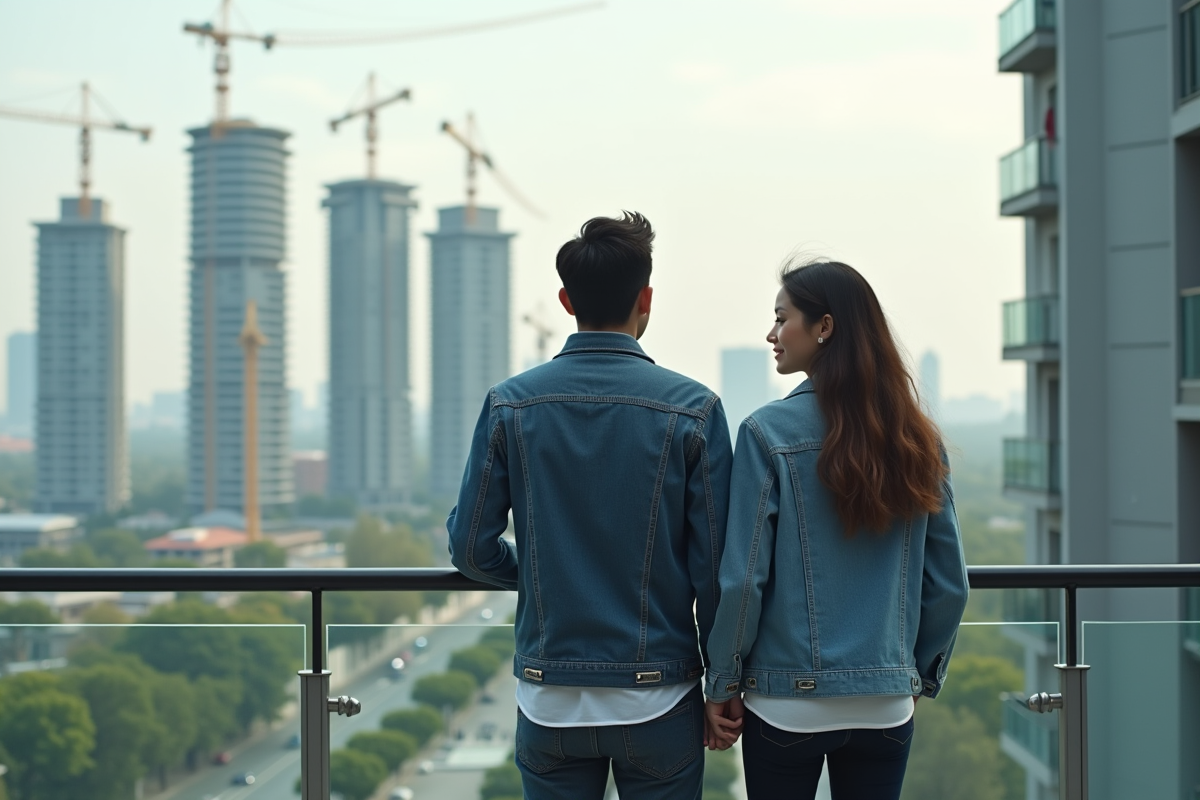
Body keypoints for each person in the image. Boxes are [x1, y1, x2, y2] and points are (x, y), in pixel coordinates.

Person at [447, 211, 733, 800]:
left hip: (549, 696)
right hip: (660, 693)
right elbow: (717, 572)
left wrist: (537, 572)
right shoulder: (694, 409)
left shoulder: (510, 404)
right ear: (646, 297)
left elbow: (469, 549)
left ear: (565, 298)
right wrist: (722, 684)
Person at [703, 260, 969, 800]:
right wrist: (911, 677)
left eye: (782, 319)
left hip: (786, 705)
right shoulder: (917, 438)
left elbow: (742, 581)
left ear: (824, 327)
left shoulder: (765, 433)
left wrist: (723, 683)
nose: (772, 334)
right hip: (886, 705)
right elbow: (949, 586)